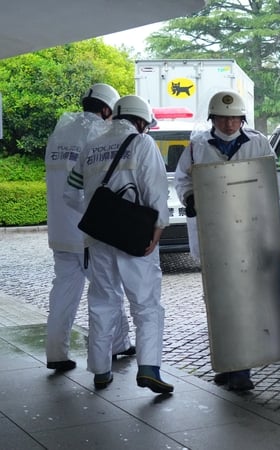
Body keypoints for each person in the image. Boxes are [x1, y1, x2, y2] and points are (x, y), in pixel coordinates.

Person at [174, 90, 280, 391]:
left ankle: (242, 368)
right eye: (224, 118)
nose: (230, 123)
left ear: (242, 119)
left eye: (235, 118)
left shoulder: (258, 143)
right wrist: (190, 196)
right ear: (214, 119)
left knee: (244, 300)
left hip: (248, 233)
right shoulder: (197, 146)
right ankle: (225, 361)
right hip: (213, 235)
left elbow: (275, 177)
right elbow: (182, 178)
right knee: (217, 301)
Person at [65, 95, 172, 393]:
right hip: (135, 238)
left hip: (98, 238)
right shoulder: (142, 144)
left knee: (102, 302)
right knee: (146, 303)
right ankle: (149, 368)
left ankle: (100, 370)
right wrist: (158, 229)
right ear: (141, 122)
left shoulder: (91, 148)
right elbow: (156, 192)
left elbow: (70, 195)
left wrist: (101, 217)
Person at [44, 83, 135, 372]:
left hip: (59, 230)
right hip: (86, 230)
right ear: (107, 109)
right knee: (106, 289)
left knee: (63, 291)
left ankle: (56, 352)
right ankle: (114, 346)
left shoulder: (59, 134)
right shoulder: (97, 134)